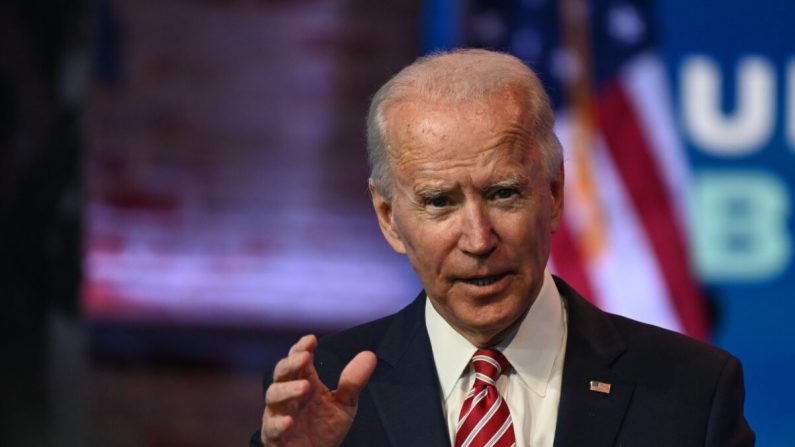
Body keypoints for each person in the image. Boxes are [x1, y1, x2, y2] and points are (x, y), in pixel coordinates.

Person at [253, 49, 754, 447]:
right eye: (439, 202)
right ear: (389, 219)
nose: (478, 239)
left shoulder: (691, 390)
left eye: (503, 193)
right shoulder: (321, 397)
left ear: (554, 195)